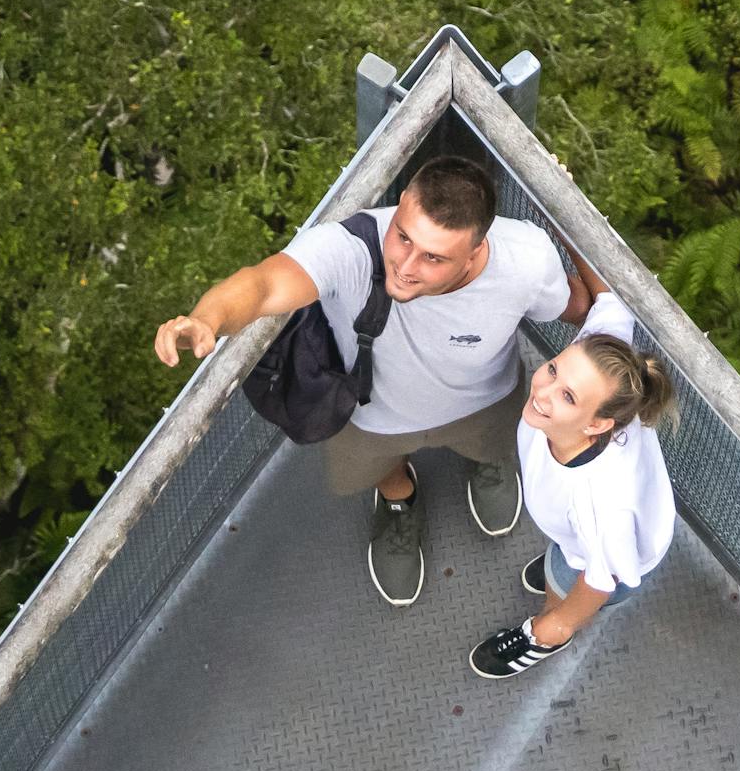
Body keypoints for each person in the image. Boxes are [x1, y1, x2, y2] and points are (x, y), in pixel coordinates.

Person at [155, 155, 588, 606]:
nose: (405, 264)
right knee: (375, 466)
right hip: (373, 413)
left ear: (476, 252)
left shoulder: (526, 260)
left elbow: (578, 308)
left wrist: (567, 208)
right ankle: (400, 500)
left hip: (484, 399)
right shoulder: (354, 248)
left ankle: (488, 463)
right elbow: (262, 284)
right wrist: (208, 319)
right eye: (403, 236)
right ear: (401, 204)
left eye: (434, 258)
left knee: (492, 441)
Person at [470, 289, 677, 679]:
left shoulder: (598, 506)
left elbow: (601, 579)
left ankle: (543, 630)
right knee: (565, 556)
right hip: (586, 538)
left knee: (564, 585)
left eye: (567, 396)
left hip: (600, 559)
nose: (543, 392)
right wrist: (572, 230)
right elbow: (611, 299)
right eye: (552, 370)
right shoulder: (599, 363)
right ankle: (558, 564)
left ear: (596, 424)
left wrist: (559, 622)